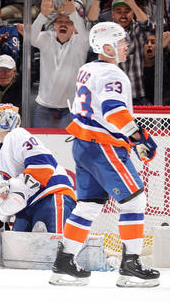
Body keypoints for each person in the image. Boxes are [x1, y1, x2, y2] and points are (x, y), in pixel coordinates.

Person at [50, 22, 160, 287]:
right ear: (107, 47)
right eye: (121, 42)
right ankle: (130, 265)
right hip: (104, 147)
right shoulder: (114, 74)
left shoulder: (87, 69)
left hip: (83, 144)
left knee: (88, 206)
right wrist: (139, 136)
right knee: (134, 201)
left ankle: (64, 263)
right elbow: (113, 111)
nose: (126, 46)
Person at [0, 103, 76, 233]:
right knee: (18, 251)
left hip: (50, 195)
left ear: (10, 119)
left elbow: (43, 165)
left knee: (56, 249)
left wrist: (17, 186)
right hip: (27, 207)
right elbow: (8, 192)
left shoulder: (17, 134)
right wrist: (2, 216)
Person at [31, 0, 89, 129]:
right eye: (60, 22)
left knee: (65, 149)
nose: (63, 25)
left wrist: (73, 13)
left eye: (68, 22)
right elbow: (31, 37)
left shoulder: (81, 43)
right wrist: (43, 14)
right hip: (43, 108)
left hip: (70, 109)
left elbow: (84, 34)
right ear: (54, 25)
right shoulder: (46, 38)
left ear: (74, 26)